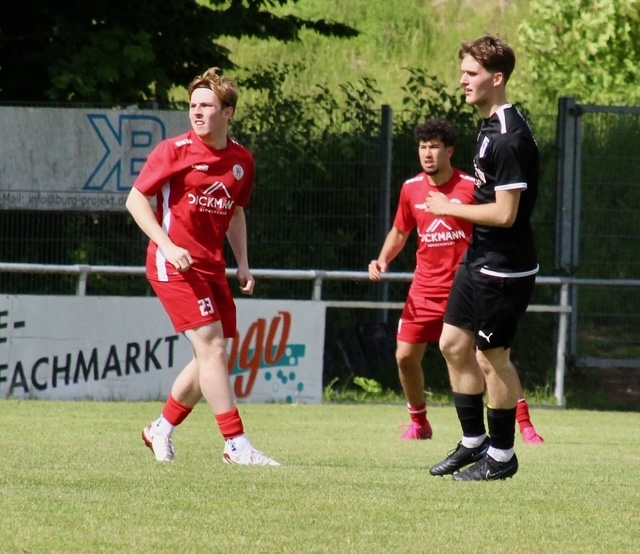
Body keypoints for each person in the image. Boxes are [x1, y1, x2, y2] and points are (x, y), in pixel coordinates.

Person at [126, 67, 279, 466]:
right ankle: (236, 445)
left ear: (228, 113)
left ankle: (160, 429)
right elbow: (135, 200)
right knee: (212, 347)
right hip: (172, 265)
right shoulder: (173, 150)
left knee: (211, 356)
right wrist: (167, 245)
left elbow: (236, 212)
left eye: (206, 105)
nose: (196, 112)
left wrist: (243, 263)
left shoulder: (241, 160)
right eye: (193, 105)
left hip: (212, 267)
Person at [369, 118, 543, 444]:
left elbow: (497, 218)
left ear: (449, 151)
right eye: (423, 147)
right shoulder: (411, 188)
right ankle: (419, 422)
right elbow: (400, 231)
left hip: (466, 285)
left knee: (489, 355)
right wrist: (382, 259)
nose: (427, 153)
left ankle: (524, 424)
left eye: (434, 147)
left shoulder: (470, 186)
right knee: (404, 356)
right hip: (424, 290)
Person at [426, 35, 541, 481]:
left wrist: (449, 208)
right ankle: (474, 442)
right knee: (453, 344)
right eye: (463, 72)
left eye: (471, 73)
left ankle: (502, 455)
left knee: (493, 357)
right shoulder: (490, 125)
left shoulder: (508, 137)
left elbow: (506, 214)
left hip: (504, 265)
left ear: (497, 79)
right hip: (480, 256)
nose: (463, 80)